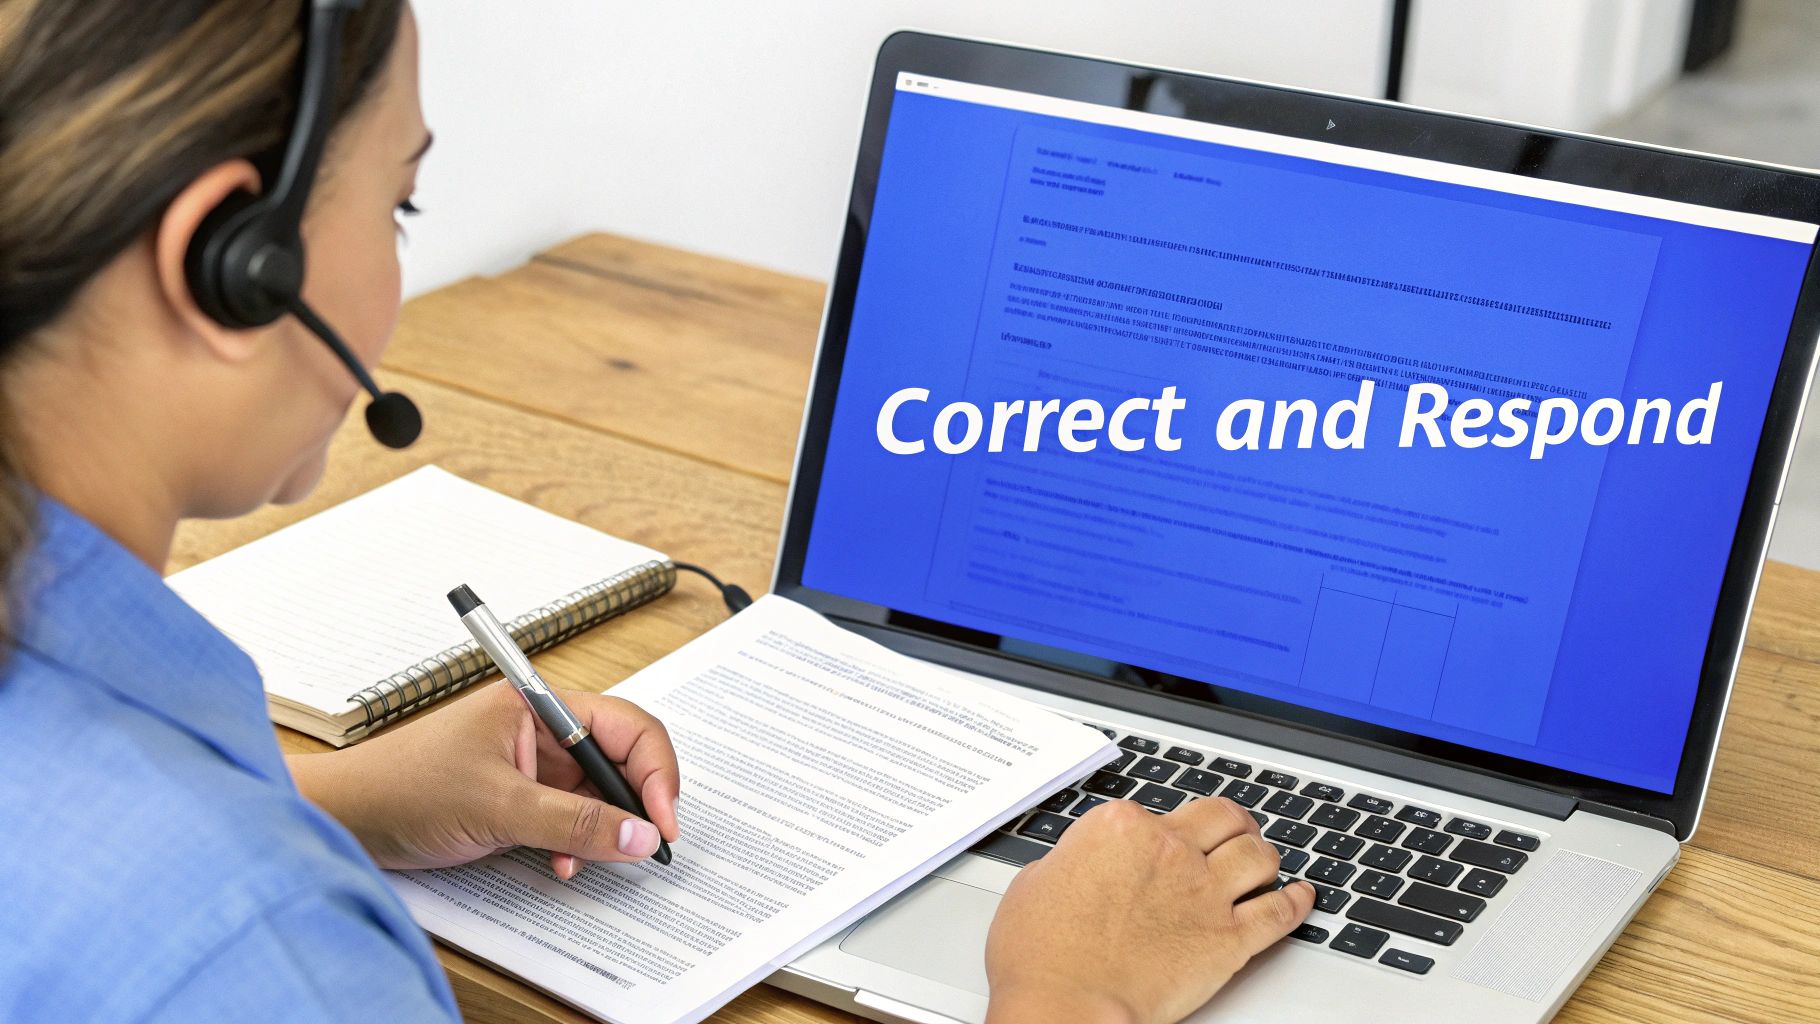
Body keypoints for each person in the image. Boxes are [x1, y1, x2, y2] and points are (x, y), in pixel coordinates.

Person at [0, 3, 1316, 1022]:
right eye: (399, 201)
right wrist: (1071, 992)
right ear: (236, 266)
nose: (401, 251)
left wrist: (326, 798)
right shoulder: (266, 958)